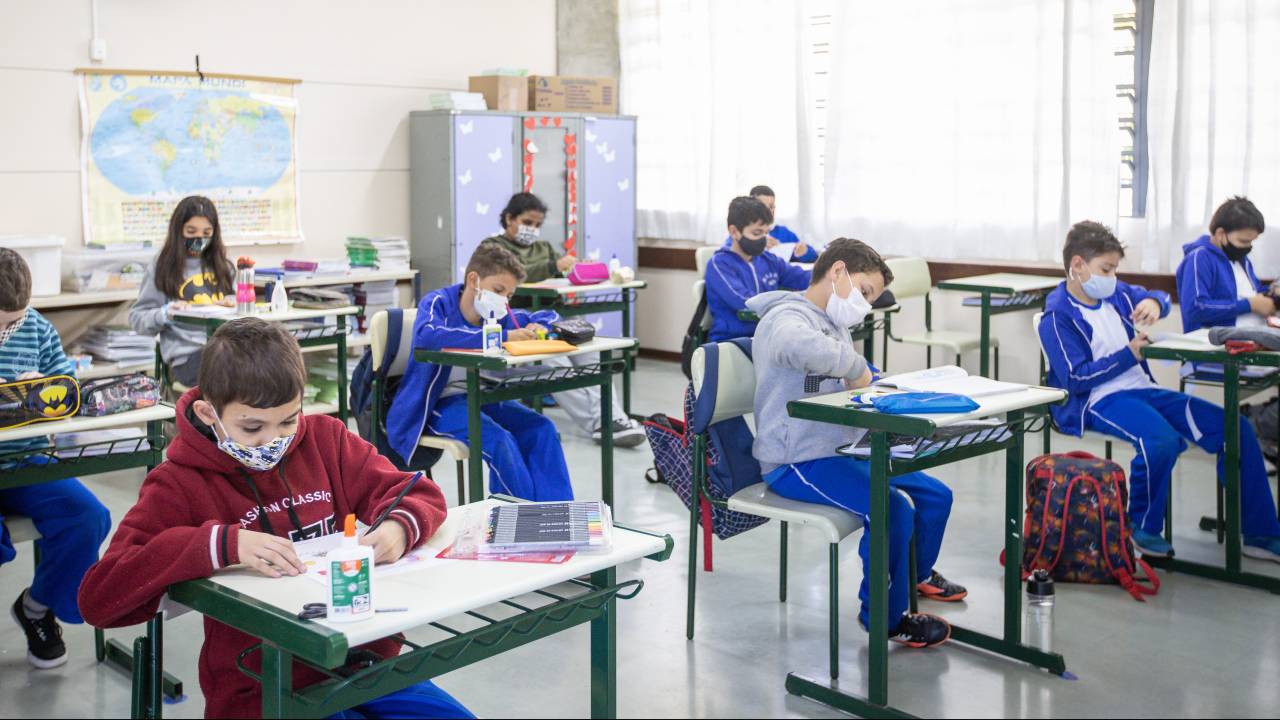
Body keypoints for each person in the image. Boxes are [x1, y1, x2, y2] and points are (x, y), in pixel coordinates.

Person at [79, 318, 473, 719]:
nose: (274, 441)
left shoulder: (326, 440)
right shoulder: (179, 483)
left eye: (288, 420)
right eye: (251, 427)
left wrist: (397, 529)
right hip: (262, 685)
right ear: (208, 412)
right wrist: (221, 545)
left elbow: (418, 492)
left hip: (365, 662)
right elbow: (99, 599)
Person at [750, 238, 965, 648]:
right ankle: (884, 617)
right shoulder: (786, 316)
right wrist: (857, 366)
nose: (865, 305)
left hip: (840, 447)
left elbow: (852, 376)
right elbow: (798, 346)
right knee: (893, 509)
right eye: (864, 292)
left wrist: (884, 380)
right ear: (837, 273)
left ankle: (912, 578)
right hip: (796, 460)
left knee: (936, 496)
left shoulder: (833, 324)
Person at [1039, 220, 1280, 560]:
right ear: (1077, 265)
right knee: (1161, 441)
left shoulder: (1116, 292)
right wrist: (1129, 354)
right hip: (1098, 399)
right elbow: (1075, 379)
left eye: (1115, 269)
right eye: (1106, 269)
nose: (1112, 277)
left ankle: (1259, 532)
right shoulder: (1057, 316)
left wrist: (1155, 303)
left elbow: (1161, 298)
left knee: (1235, 428)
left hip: (1141, 387)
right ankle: (1142, 527)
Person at [386, 243, 575, 501]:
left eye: (509, 295)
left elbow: (549, 315)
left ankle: (557, 514)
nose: (504, 301)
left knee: (542, 428)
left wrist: (538, 324)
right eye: (498, 290)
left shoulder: (494, 314)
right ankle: (518, 518)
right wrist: (499, 336)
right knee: (500, 441)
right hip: (436, 405)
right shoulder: (438, 302)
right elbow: (427, 335)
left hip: (480, 396)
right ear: (473, 279)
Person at [0, 248, 110, 669]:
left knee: (89, 517)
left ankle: (35, 607)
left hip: (27, 460)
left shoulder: (36, 329)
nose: (7, 329)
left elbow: (67, 391)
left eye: (14, 320)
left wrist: (44, 388)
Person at [479, 193, 644, 447]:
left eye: (537, 224)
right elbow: (517, 275)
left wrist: (575, 268)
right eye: (527, 222)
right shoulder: (493, 248)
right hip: (522, 324)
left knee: (593, 355)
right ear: (509, 218)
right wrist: (554, 265)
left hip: (553, 317)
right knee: (558, 365)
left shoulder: (542, 247)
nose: (532, 229)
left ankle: (614, 419)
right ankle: (600, 423)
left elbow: (560, 271)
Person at [130, 196, 236, 387]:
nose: (199, 239)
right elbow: (137, 319)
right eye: (191, 231)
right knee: (234, 369)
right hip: (188, 359)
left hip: (225, 350)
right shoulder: (162, 267)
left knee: (260, 361)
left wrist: (230, 304)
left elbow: (237, 308)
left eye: (206, 232)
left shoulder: (223, 267)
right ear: (178, 231)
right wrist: (166, 313)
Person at [705, 196, 811, 342]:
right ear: (734, 232)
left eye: (766, 233)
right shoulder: (719, 265)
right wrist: (790, 303)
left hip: (766, 338)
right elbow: (746, 301)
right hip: (731, 342)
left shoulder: (768, 259)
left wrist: (826, 277)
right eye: (756, 233)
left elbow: (801, 277)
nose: (763, 239)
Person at [720, 185, 816, 263]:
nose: (769, 211)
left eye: (771, 207)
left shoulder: (782, 232)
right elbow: (729, 252)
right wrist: (758, 244)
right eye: (763, 206)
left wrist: (803, 251)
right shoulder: (741, 233)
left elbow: (812, 255)